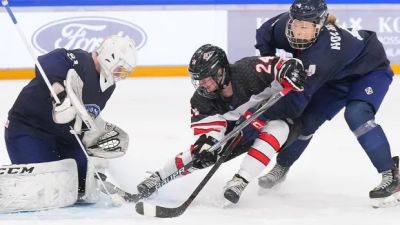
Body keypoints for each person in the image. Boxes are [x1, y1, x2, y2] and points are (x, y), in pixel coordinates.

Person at [254, 0, 398, 207]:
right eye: (295, 25)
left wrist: (264, 115)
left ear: (319, 26)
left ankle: (391, 174)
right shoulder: (281, 27)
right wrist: (270, 66)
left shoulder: (323, 53)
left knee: (357, 114)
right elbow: (263, 33)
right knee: (307, 120)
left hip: (369, 71)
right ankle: (282, 166)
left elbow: (298, 99)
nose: (298, 33)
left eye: (305, 27)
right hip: (336, 75)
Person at [135, 44, 307, 204]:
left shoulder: (248, 69)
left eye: (205, 79)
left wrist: (291, 69)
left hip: (276, 115)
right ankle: (159, 177)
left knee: (279, 128)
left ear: (220, 72)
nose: (202, 85)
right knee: (204, 154)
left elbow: (287, 65)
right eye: (198, 80)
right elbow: (210, 132)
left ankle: (240, 180)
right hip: (238, 128)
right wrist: (206, 148)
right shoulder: (201, 100)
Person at [1, 35, 136, 212]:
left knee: (81, 186)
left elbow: (88, 112)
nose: (120, 74)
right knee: (46, 186)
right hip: (28, 128)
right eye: (120, 67)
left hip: (65, 136)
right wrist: (59, 92)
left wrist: (94, 132)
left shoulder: (109, 86)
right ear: (109, 56)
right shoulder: (80, 60)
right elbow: (45, 63)